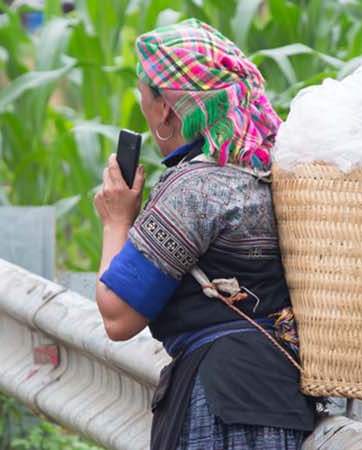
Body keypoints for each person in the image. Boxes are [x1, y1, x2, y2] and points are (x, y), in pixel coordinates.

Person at [92, 19, 316, 450]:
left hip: (219, 408)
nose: (143, 106)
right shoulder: (273, 171)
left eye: (143, 95)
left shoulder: (195, 188)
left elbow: (118, 317)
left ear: (166, 110)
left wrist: (117, 221)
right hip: (284, 401)